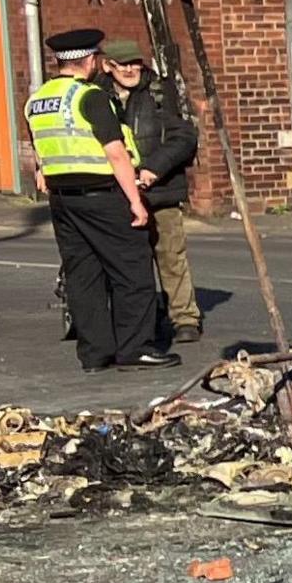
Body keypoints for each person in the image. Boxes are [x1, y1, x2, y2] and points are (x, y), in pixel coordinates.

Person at [29, 25, 173, 371]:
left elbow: (39, 150)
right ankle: (135, 348)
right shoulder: (90, 97)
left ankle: (94, 354)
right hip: (102, 195)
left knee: (84, 275)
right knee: (132, 268)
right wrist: (136, 202)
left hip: (63, 200)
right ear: (90, 60)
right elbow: (116, 153)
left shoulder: (38, 100)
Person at [106, 37, 203, 349]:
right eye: (124, 64)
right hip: (117, 193)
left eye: (136, 63)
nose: (132, 69)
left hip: (160, 191)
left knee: (171, 256)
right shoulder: (97, 96)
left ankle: (185, 318)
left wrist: (152, 169)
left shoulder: (159, 94)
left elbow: (184, 136)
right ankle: (143, 319)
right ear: (108, 66)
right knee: (130, 264)